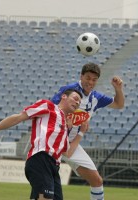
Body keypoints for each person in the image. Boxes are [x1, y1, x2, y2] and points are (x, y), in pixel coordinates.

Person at [0, 89, 89, 200]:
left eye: (79, 102)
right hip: (41, 158)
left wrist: (81, 132)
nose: (77, 102)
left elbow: (67, 153)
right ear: (64, 96)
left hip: (54, 166)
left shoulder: (65, 125)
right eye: (75, 98)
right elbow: (18, 118)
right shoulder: (48, 106)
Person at [51, 63, 124, 200]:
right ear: (81, 76)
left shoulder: (96, 97)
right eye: (88, 78)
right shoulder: (68, 91)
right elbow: (51, 109)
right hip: (54, 142)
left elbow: (119, 104)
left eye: (94, 79)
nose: (90, 82)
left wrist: (118, 89)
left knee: (97, 181)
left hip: (72, 144)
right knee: (48, 185)